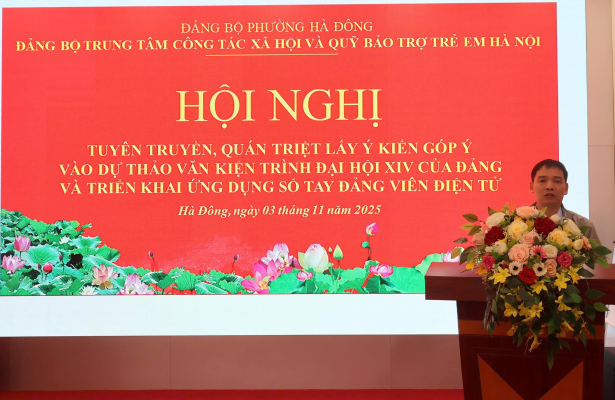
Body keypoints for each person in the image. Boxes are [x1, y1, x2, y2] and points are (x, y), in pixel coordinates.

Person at [530, 159, 601, 244]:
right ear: (531, 187)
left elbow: (597, 253)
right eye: (542, 181)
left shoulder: (583, 225)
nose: (549, 187)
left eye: (557, 181)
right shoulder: (517, 222)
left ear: (566, 188)